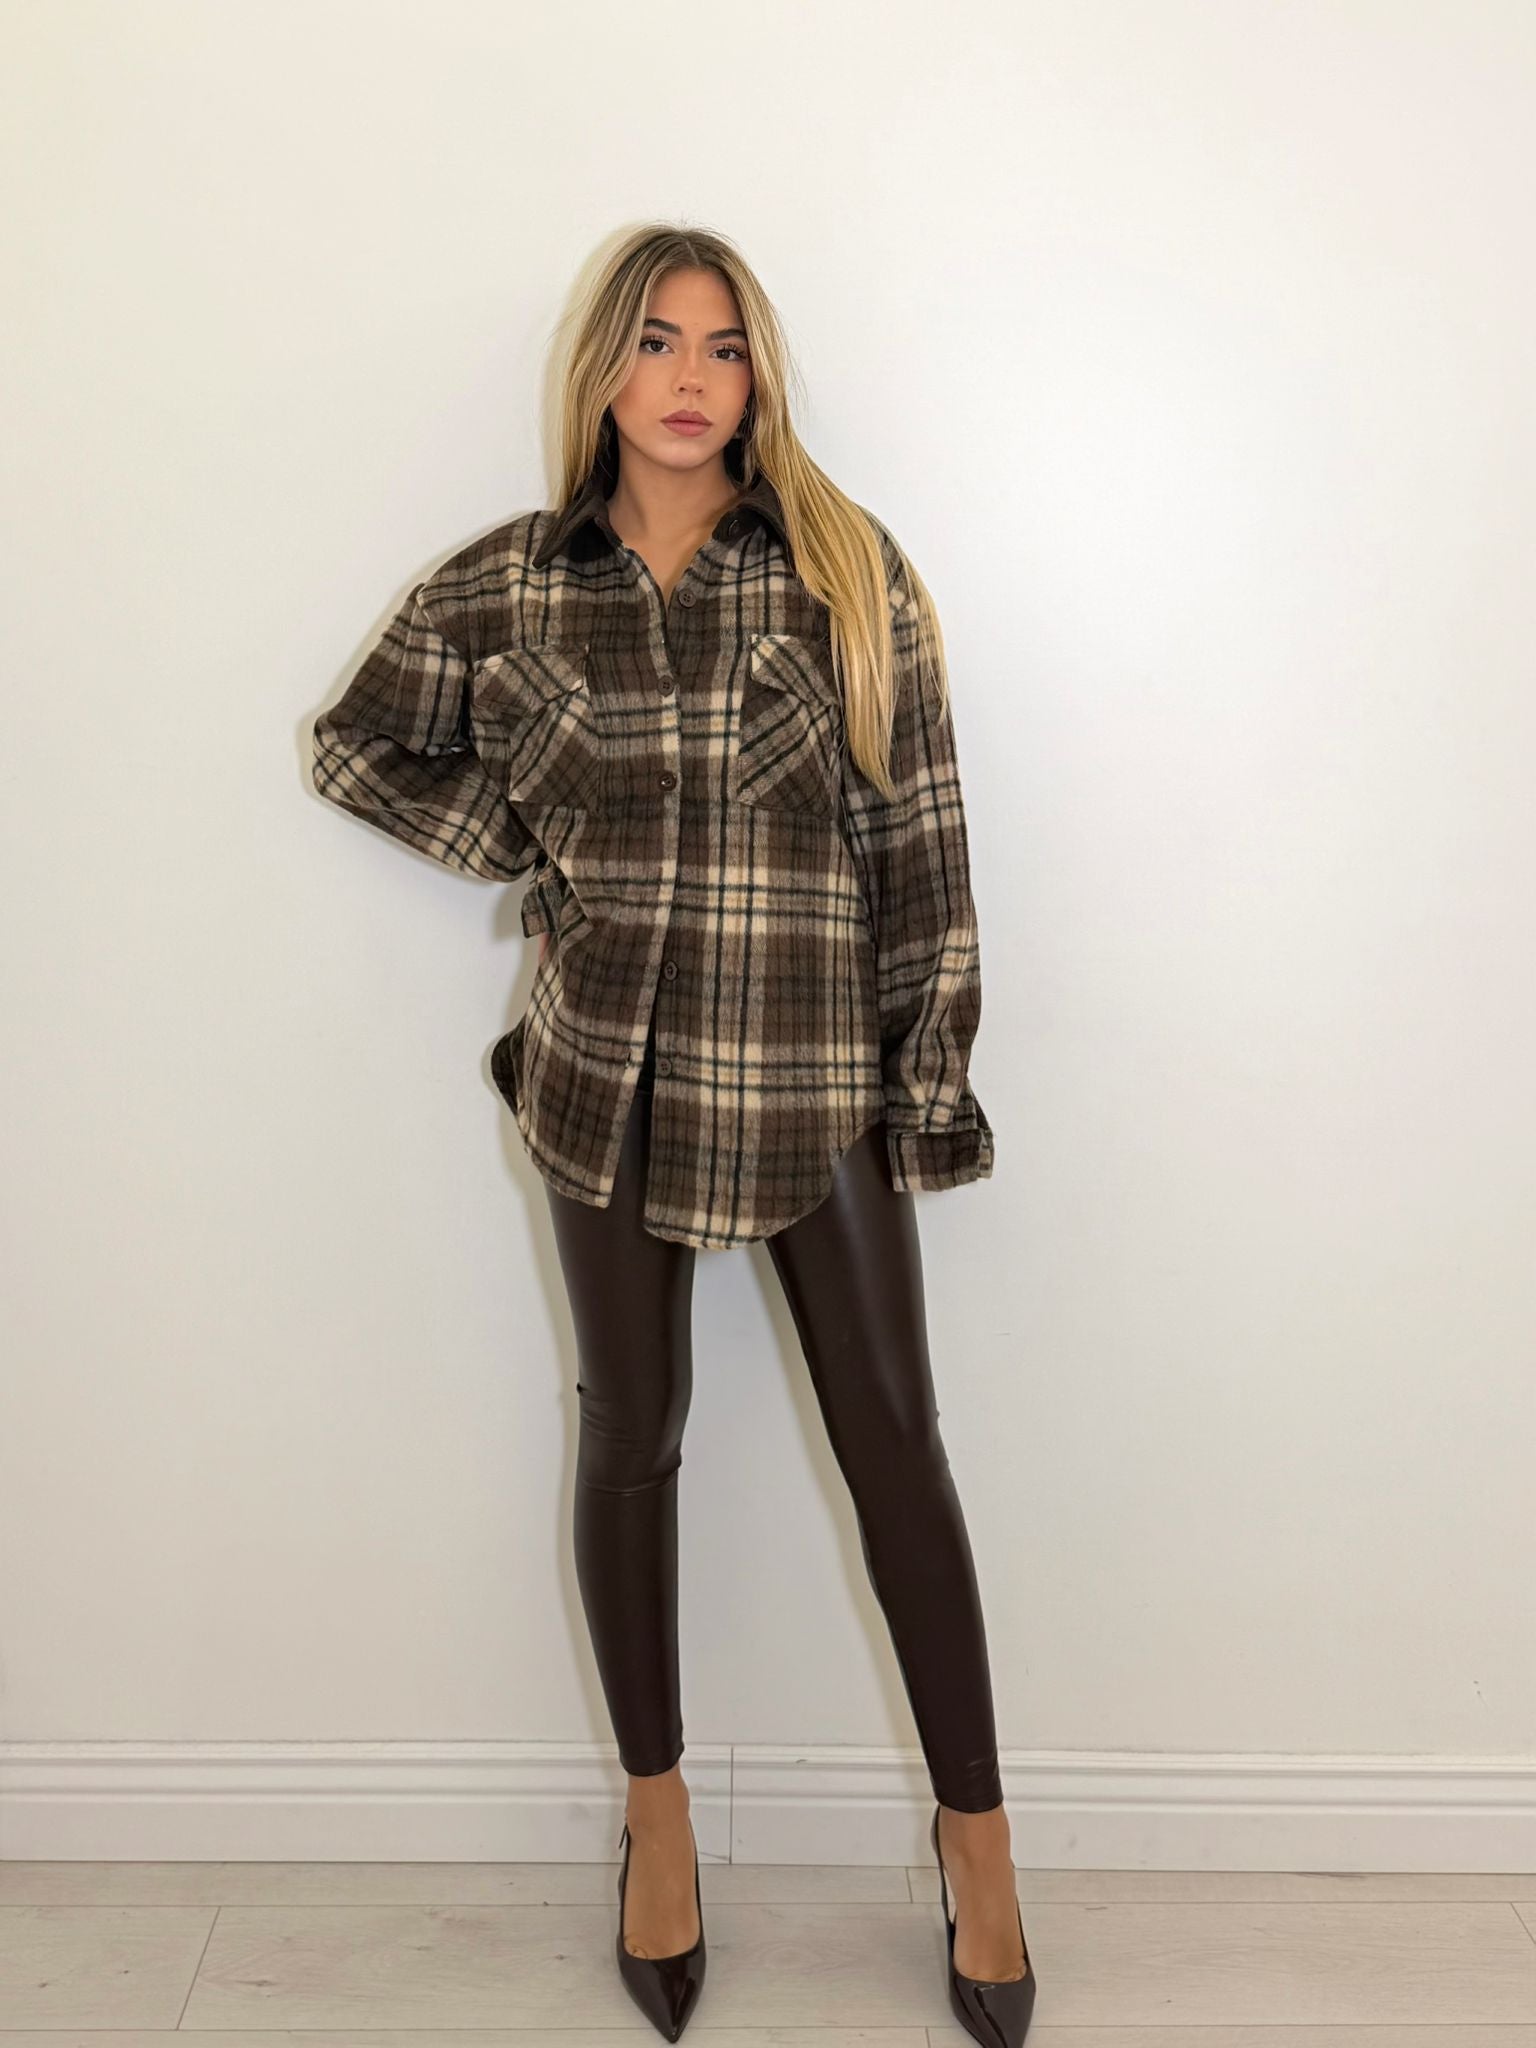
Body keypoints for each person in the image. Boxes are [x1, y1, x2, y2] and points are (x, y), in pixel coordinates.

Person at [310, 222, 1033, 2047]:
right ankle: (656, 1818)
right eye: (655, 340)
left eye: (722, 345)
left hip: (811, 1072)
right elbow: (356, 745)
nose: (690, 376)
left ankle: (980, 1841)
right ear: (604, 372)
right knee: (630, 1440)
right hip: (606, 1081)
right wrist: (530, 844)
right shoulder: (509, 587)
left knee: (898, 1452)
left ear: (757, 377)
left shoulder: (845, 573)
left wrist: (925, 1083)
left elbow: (924, 845)